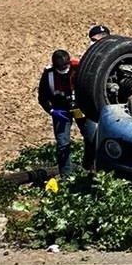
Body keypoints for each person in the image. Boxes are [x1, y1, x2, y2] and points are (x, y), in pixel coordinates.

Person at [37, 48, 97, 176]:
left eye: (65, 67)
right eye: (60, 68)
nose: (63, 70)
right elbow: (42, 97)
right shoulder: (49, 75)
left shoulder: (80, 68)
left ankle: (89, 167)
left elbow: (93, 87)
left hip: (79, 109)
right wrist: (52, 111)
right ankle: (66, 177)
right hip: (61, 112)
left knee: (91, 137)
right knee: (63, 144)